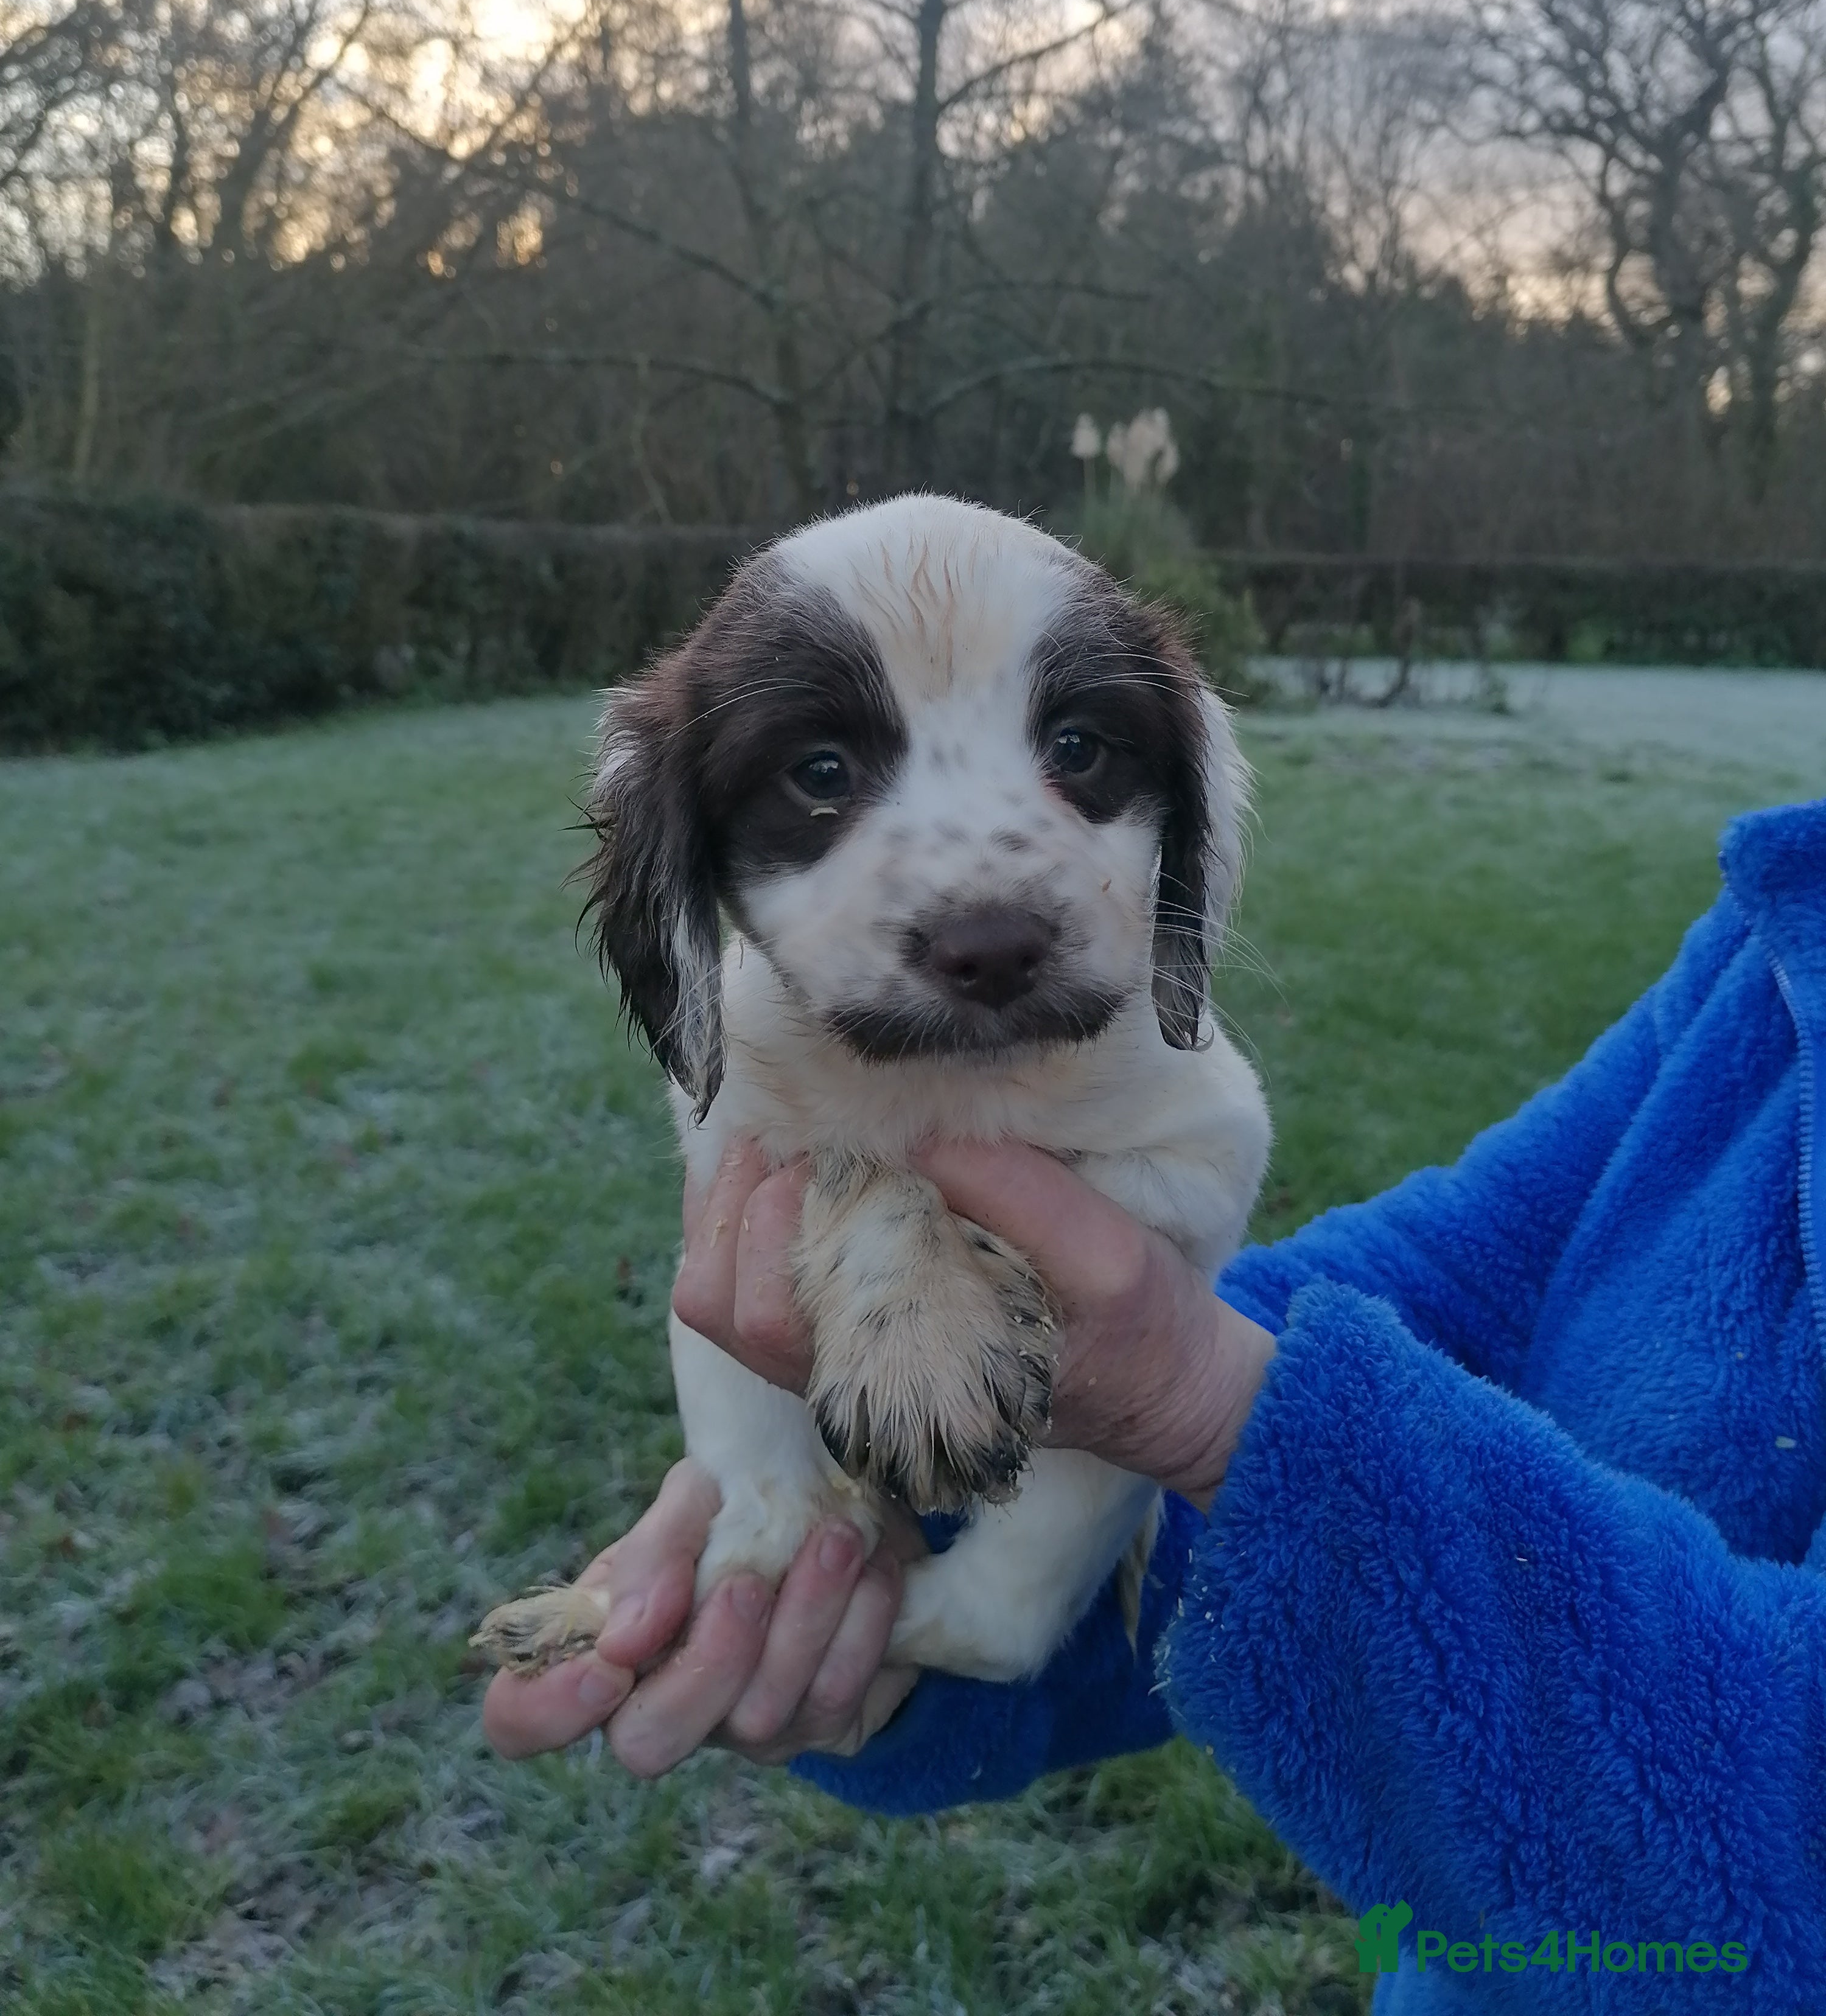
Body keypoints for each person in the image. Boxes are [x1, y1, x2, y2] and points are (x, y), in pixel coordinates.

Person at [484, 798, 1826, 2007]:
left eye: (1080, 753)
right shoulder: (1782, 929)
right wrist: (917, 1539)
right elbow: (1475, 1272)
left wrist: (1199, 1403)